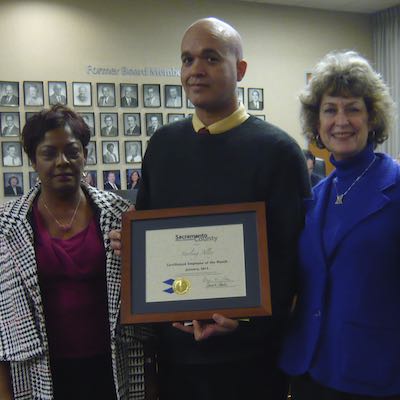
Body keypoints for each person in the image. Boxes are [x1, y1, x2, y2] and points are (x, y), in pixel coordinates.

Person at [110, 17, 309, 400]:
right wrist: (134, 248)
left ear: (241, 69)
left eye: (211, 58)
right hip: (175, 355)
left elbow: (290, 260)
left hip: (249, 359)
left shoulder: (278, 152)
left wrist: (244, 324)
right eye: (187, 60)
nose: (195, 71)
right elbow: (149, 227)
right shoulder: (164, 145)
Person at [0, 105, 152, 399]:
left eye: (72, 151)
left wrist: (150, 376)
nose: (62, 162)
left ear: (85, 154)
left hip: (114, 364)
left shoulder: (122, 215)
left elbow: (144, 301)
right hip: (38, 371)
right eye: (48, 153)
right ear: (33, 160)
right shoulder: (6, 225)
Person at [279, 50, 400, 399]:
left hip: (375, 374)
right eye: (330, 109)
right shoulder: (316, 196)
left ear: (373, 118)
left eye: (353, 108)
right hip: (310, 370)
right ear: (316, 123)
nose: (341, 120)